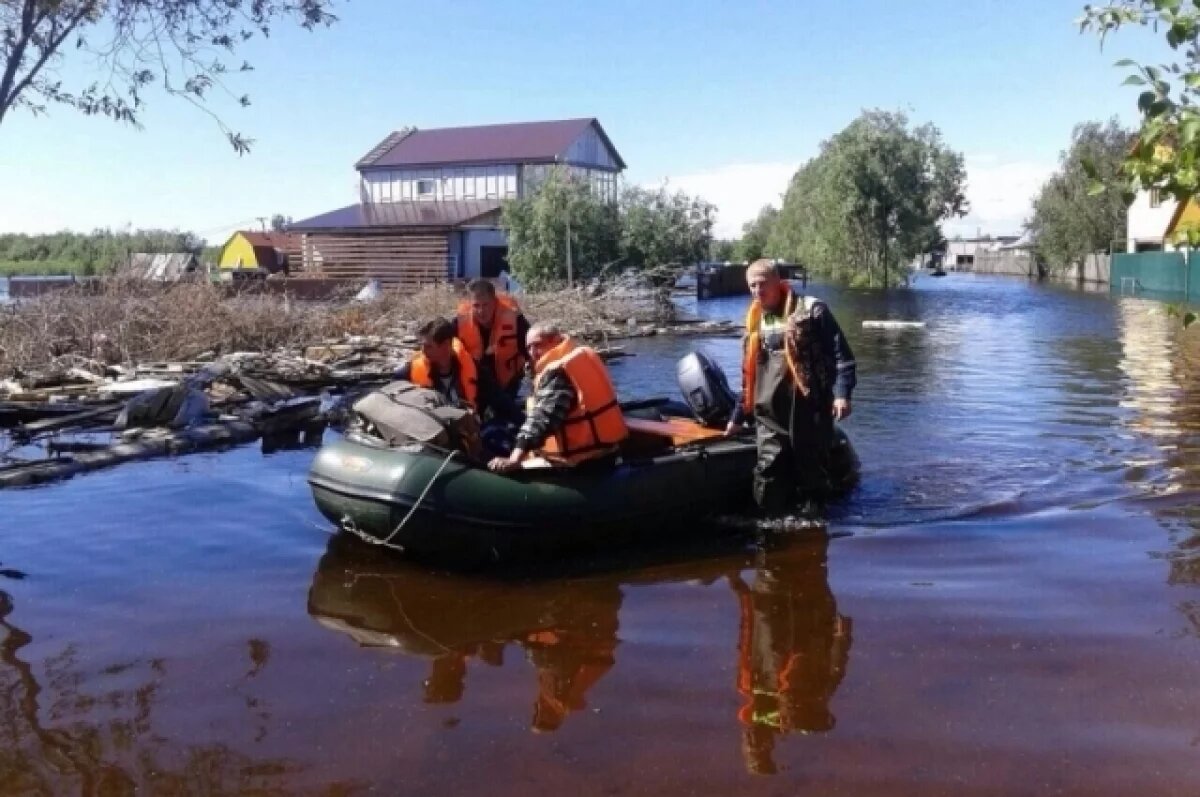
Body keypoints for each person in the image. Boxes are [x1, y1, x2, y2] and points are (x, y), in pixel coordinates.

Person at [725, 260, 856, 519]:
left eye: (763, 284)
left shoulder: (812, 310)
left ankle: (815, 530)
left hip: (809, 409)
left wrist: (842, 394)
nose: (757, 291)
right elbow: (748, 377)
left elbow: (843, 356)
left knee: (811, 472)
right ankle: (770, 529)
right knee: (768, 471)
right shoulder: (755, 322)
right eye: (752, 286)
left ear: (778, 282)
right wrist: (737, 416)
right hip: (768, 415)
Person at [729, 536, 852, 776]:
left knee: (779, 554)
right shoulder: (815, 691)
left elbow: (746, 641)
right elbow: (836, 667)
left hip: (773, 593)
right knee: (803, 553)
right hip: (801, 600)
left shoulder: (756, 698)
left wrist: (739, 590)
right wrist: (842, 638)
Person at [488, 323, 628, 472]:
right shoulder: (577, 358)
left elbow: (542, 418)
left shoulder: (558, 372)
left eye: (537, 345)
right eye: (529, 348)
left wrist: (514, 459)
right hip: (604, 452)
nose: (532, 352)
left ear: (556, 340)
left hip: (583, 463)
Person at [455, 278, 530, 420]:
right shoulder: (459, 323)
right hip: (477, 384)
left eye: (486, 305)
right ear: (470, 305)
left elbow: (533, 352)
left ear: (495, 302)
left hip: (511, 382)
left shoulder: (515, 320)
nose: (481, 311)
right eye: (476, 306)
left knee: (519, 417)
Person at [394, 316, 478, 410]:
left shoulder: (474, 368)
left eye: (429, 346)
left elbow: (495, 405)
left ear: (446, 345)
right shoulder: (408, 371)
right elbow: (393, 391)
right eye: (422, 345)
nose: (423, 350)